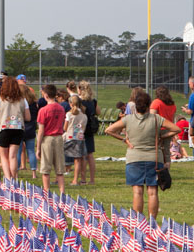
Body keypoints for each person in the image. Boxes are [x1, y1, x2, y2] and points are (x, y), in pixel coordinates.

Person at [106, 89, 179, 219]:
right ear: (148, 105)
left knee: (137, 191)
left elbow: (109, 130)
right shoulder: (156, 119)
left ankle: (139, 222)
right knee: (152, 192)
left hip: (134, 158)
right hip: (154, 158)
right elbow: (176, 129)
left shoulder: (128, 119)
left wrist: (124, 140)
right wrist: (162, 136)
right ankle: (152, 222)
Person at [0, 77, 30, 181]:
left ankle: (8, 178)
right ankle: (14, 178)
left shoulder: (1, 99)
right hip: (18, 128)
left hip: (4, 128)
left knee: (4, 156)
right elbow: (28, 117)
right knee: (13, 156)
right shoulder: (23, 100)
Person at [35, 85, 66, 195]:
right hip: (59, 138)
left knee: (45, 169)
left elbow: (41, 130)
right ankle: (62, 192)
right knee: (59, 169)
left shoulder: (43, 110)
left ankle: (46, 192)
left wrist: (38, 148)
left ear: (46, 95)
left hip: (47, 139)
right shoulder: (61, 108)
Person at [77, 81, 99, 186]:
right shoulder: (93, 101)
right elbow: (98, 112)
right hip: (91, 128)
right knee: (90, 155)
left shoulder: (80, 102)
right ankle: (92, 179)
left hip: (82, 129)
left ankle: (83, 179)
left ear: (80, 89)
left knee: (83, 156)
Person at [63, 95, 88, 186]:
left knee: (70, 159)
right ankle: (80, 179)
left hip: (70, 138)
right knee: (80, 159)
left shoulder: (69, 115)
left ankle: (72, 179)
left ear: (70, 104)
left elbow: (65, 128)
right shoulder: (84, 116)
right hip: (80, 138)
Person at [20, 85, 39, 179]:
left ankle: (16, 172)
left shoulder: (20, 103)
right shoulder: (34, 103)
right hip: (31, 128)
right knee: (31, 151)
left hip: (20, 128)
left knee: (18, 151)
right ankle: (34, 173)